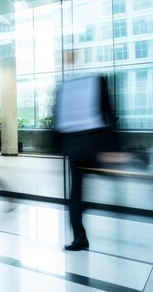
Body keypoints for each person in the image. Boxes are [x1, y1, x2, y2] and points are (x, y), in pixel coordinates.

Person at [54, 75, 115, 251]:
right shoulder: (95, 82)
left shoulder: (66, 86)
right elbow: (107, 112)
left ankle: (80, 238)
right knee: (78, 194)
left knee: (76, 194)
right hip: (92, 144)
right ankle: (80, 236)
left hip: (76, 146)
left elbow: (58, 120)